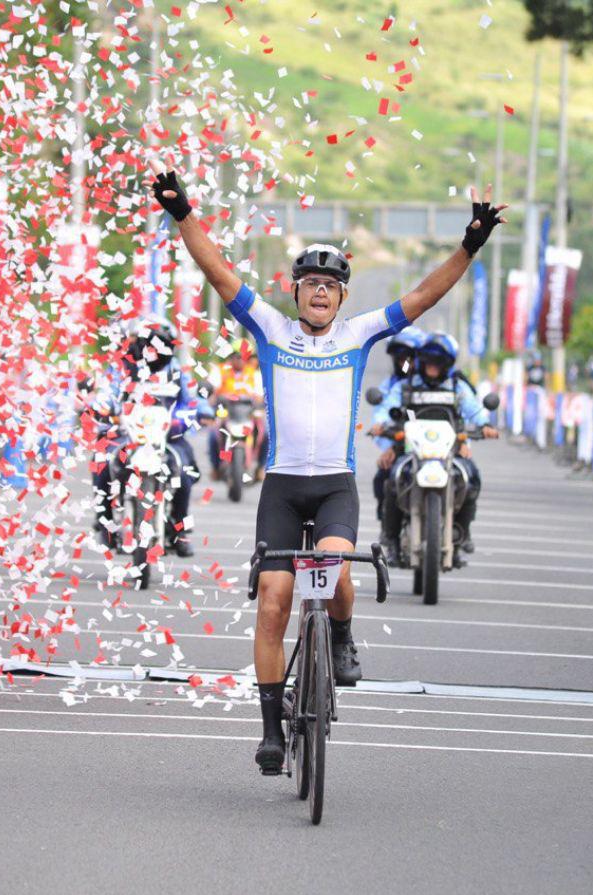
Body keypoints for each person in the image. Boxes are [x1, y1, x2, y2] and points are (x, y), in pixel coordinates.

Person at [150, 161, 507, 774]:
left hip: (334, 487)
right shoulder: (269, 329)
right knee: (272, 601)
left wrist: (469, 248)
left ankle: (340, 637)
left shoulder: (359, 334)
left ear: (342, 297)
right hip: (284, 489)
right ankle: (269, 730)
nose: (319, 291)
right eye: (310, 282)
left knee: (338, 577)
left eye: (330, 285)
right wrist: (183, 215)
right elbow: (217, 272)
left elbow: (422, 296)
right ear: (295, 292)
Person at [89, 316, 213, 558]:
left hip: (168, 438)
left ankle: (180, 530)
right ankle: (105, 523)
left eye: (161, 343)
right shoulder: (121, 368)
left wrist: (198, 413)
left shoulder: (177, 370)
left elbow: (192, 400)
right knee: (102, 464)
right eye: (147, 342)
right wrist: (102, 409)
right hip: (126, 435)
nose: (153, 348)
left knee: (184, 474)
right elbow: (106, 395)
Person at [374, 332, 499, 563]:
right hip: (412, 451)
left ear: (448, 363)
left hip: (450, 451)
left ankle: (461, 534)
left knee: (471, 476)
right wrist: (380, 425)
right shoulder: (405, 385)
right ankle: (390, 539)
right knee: (392, 478)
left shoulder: (458, 387)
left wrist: (486, 426)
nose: (432, 366)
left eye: (438, 361)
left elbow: (477, 412)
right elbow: (384, 410)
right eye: (428, 360)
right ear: (421, 360)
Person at [370, 326, 427, 523]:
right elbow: (382, 413)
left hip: (439, 446)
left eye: (410, 357)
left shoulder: (449, 382)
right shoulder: (396, 386)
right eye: (400, 357)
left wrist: (464, 443)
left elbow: (465, 412)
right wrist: (388, 446)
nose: (405, 363)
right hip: (404, 445)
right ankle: (390, 530)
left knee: (469, 475)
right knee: (384, 477)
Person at [207, 340, 265, 480]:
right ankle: (216, 468)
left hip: (248, 414)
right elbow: (211, 393)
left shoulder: (255, 374)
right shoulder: (220, 370)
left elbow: (260, 396)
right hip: (226, 413)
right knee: (213, 436)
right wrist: (213, 400)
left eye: (246, 357)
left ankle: (260, 468)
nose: (242, 360)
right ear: (231, 356)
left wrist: (259, 403)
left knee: (267, 434)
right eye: (238, 356)